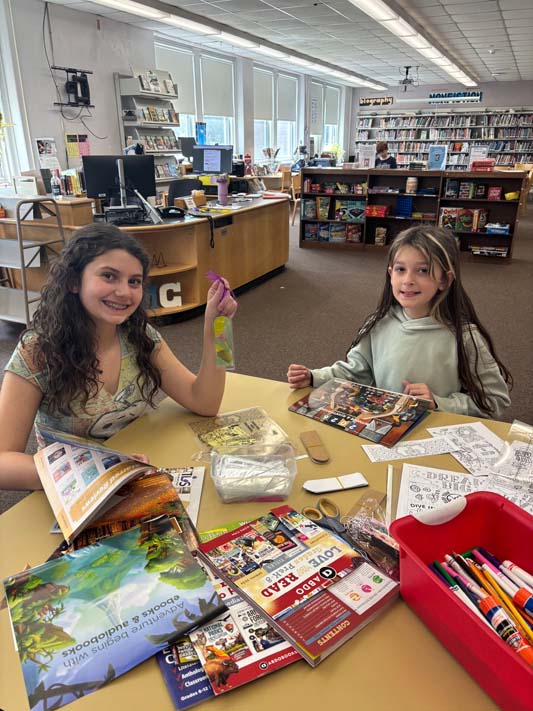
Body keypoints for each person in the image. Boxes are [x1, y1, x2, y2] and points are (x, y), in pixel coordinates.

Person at [0, 223, 237, 490]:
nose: (124, 291)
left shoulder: (139, 336)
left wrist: (218, 329)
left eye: (134, 281)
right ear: (74, 282)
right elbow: (3, 462)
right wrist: (99, 471)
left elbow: (205, 402)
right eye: (109, 276)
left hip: (135, 470)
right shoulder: (38, 351)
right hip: (70, 488)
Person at [287, 226, 511, 419]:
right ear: (390, 274)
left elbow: (495, 400)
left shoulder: (464, 337)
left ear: (445, 279)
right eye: (401, 269)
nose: (408, 280)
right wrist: (315, 376)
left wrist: (440, 403)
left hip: (432, 436)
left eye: (422, 270)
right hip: (383, 431)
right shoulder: (378, 324)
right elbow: (356, 372)